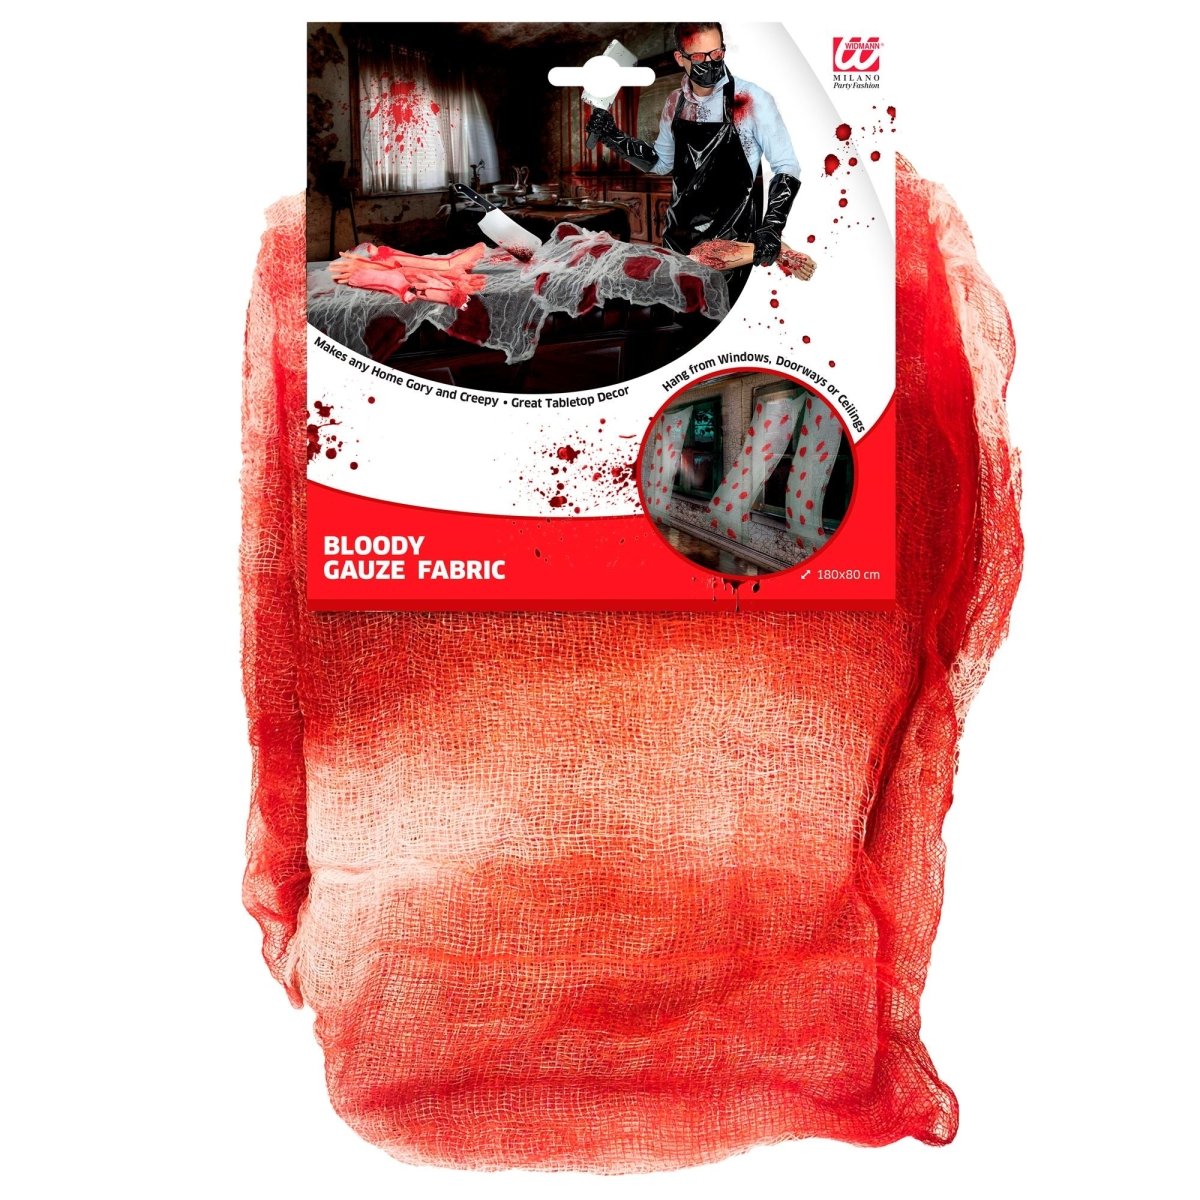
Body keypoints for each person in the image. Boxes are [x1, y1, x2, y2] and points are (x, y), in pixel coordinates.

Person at [585, 21, 801, 302]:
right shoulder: (674, 103)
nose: (710, 63)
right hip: (678, 239)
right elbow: (661, 163)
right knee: (678, 317)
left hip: (730, 246)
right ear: (681, 58)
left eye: (717, 54)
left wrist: (772, 227)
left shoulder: (750, 99)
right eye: (699, 56)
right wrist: (614, 137)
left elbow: (786, 166)